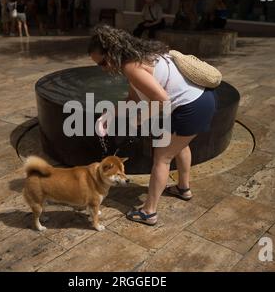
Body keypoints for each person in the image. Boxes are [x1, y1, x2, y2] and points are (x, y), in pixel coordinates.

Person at [89, 25, 217, 226]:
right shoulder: (141, 55)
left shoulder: (130, 67)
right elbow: (133, 98)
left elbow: (162, 99)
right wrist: (109, 113)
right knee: (180, 145)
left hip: (192, 107)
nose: (104, 69)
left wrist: (138, 121)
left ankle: (149, 212)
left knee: (162, 157)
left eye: (103, 63)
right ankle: (183, 188)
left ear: (112, 53)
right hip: (200, 100)